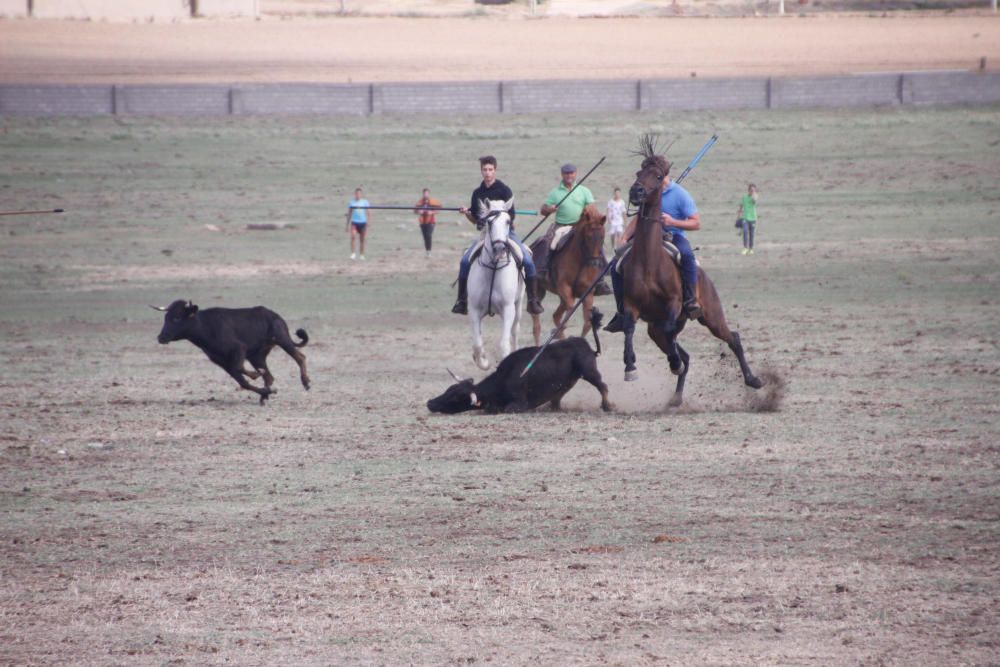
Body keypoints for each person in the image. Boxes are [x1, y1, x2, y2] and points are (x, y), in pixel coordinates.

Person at [605, 159, 702, 332]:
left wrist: (672, 221)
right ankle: (621, 310)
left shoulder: (680, 194)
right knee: (615, 265)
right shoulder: (649, 190)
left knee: (687, 256)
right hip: (646, 237)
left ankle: (690, 299)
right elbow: (638, 216)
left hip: (674, 236)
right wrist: (626, 236)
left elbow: (696, 223)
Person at [452, 155, 542, 316]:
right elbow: (475, 220)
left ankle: (533, 300)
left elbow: (511, 215)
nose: (487, 173)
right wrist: (466, 213)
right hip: (485, 235)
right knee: (465, 261)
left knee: (528, 261)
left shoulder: (504, 190)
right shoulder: (477, 193)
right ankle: (461, 301)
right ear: (481, 171)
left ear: (495, 170)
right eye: (485, 170)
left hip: (506, 234)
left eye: (490, 169)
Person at [534, 163, 611, 295]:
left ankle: (600, 279)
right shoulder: (555, 192)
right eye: (566, 173)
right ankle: (544, 271)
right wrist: (550, 209)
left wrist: (593, 213)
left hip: (579, 227)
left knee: (596, 244)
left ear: (575, 174)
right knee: (550, 243)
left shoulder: (584, 191)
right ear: (562, 175)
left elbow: (591, 207)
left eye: (571, 173)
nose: (569, 176)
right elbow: (543, 209)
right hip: (561, 226)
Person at [413, 188, 441, 256]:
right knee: (425, 236)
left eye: (427, 193)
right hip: (422, 222)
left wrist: (431, 212)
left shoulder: (432, 201)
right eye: (424, 193)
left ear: (429, 193)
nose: (425, 194)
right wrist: (419, 211)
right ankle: (427, 251)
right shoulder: (420, 202)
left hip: (431, 221)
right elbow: (415, 210)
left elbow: (439, 208)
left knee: (429, 235)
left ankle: (429, 251)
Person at [346, 187, 370, 260]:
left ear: (361, 194)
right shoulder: (352, 202)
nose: (358, 195)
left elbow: (368, 213)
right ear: (355, 194)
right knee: (353, 237)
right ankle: (353, 254)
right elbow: (349, 213)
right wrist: (347, 224)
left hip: (363, 223)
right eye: (356, 194)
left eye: (359, 194)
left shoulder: (365, 202)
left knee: (362, 239)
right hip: (354, 223)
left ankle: (362, 255)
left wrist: (368, 222)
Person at [736, 183, 759, 255]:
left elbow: (754, 200)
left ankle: (751, 248)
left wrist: (753, 194)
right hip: (745, 218)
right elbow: (740, 207)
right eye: (751, 190)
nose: (752, 191)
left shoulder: (755, 196)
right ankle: (745, 248)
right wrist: (738, 217)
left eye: (754, 190)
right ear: (748, 190)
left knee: (751, 234)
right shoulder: (744, 197)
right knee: (745, 232)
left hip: (753, 219)